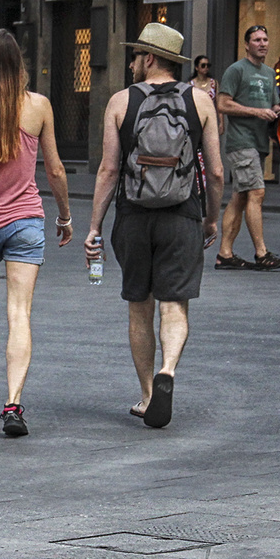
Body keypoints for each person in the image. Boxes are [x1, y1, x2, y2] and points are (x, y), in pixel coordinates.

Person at [84, 22, 223, 430]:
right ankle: (169, 371)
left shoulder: (119, 103)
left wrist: (94, 225)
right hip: (183, 215)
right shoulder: (200, 101)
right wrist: (211, 217)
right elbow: (214, 171)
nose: (131, 63)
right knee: (174, 303)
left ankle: (147, 396)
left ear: (148, 58)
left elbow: (109, 170)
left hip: (133, 215)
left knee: (139, 307)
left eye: (134, 56)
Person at [0, 29, 72, 438]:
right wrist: (66, 216)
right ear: (18, 66)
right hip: (26, 221)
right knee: (19, 313)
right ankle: (13, 404)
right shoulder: (39, 107)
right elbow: (55, 169)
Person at [215, 25, 280, 271]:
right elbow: (223, 104)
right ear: (246, 44)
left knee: (240, 197)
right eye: (257, 40)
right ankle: (261, 253)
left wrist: (278, 112)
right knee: (257, 192)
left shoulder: (269, 72)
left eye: (265, 39)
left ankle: (225, 254)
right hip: (241, 141)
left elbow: (272, 104)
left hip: (260, 142)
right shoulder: (236, 70)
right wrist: (257, 112)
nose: (262, 43)